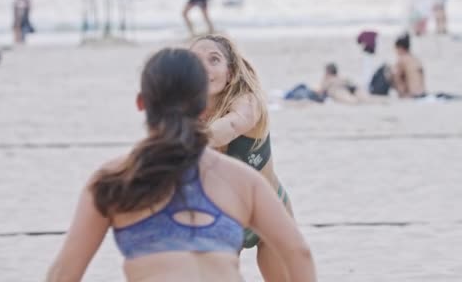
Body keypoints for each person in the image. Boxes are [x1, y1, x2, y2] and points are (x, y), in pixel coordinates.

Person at [46, 48, 316, 282]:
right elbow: (299, 253)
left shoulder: (113, 180)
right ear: (202, 108)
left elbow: (65, 274)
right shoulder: (242, 180)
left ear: (141, 103)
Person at [190, 34, 296, 282]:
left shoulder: (248, 102)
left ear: (230, 72)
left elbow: (231, 126)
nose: (204, 67)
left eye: (213, 59)